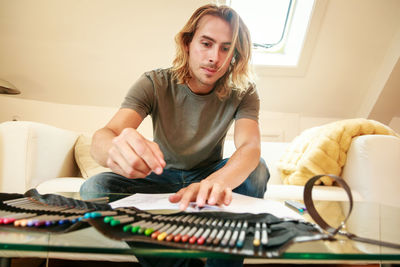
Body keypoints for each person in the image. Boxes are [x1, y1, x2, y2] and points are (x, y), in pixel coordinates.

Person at [80, 3, 269, 267]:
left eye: (226, 48)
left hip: (207, 175)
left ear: (235, 54)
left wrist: (216, 181)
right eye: (206, 43)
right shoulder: (154, 83)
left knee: (258, 170)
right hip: (159, 177)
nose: (215, 57)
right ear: (188, 42)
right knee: (94, 187)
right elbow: (106, 134)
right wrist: (112, 149)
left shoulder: (244, 91)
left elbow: (250, 146)